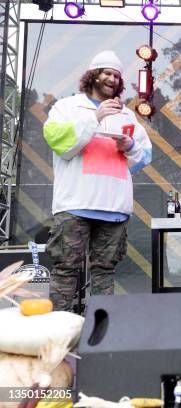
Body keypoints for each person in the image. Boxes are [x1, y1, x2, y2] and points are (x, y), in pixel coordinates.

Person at [43, 50, 153, 311]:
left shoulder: (127, 115)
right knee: (65, 269)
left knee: (105, 272)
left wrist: (129, 145)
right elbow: (58, 141)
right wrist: (95, 117)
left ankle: (102, 334)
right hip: (74, 205)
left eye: (116, 75)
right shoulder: (67, 107)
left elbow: (143, 157)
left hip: (114, 207)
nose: (112, 79)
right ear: (92, 75)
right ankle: (59, 333)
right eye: (107, 73)